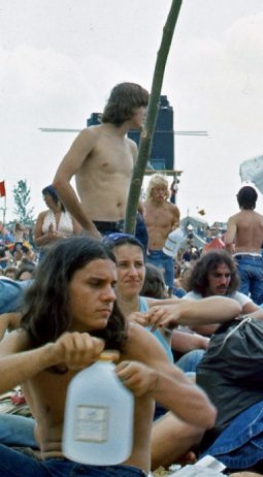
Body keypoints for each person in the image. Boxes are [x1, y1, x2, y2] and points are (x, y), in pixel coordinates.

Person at [0, 237, 216, 474]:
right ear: (59, 287)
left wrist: (155, 382)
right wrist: (49, 355)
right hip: (52, 469)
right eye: (96, 284)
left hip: (117, 471)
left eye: (111, 285)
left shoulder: (129, 340)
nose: (110, 296)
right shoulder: (30, 339)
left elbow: (203, 413)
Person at [104, 232, 240, 468]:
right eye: (123, 265)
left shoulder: (154, 308)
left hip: (161, 409)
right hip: (121, 421)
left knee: (207, 381)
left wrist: (179, 312)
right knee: (193, 417)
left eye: (138, 264)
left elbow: (230, 306)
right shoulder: (98, 312)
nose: (134, 273)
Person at [53, 82, 150, 239]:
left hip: (132, 226)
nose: (147, 113)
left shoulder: (131, 146)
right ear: (128, 106)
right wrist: (87, 226)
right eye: (143, 106)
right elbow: (60, 181)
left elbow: (125, 183)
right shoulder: (91, 136)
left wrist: (139, 204)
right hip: (100, 226)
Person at [225, 185, 263, 304]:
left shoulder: (235, 219)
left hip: (240, 261)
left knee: (239, 302)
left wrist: (230, 263)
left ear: (239, 199)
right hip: (258, 262)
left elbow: (228, 242)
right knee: (259, 304)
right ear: (255, 200)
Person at [143, 175, 181, 291]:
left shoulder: (172, 210)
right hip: (146, 253)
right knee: (147, 289)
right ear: (151, 190)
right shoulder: (143, 207)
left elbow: (177, 232)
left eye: (163, 189)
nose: (161, 193)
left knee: (168, 289)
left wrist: (176, 254)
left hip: (165, 254)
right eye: (157, 189)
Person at [33, 184, 80, 251]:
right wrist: (47, 236)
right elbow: (37, 242)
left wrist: (62, 238)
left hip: (68, 253)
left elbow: (79, 239)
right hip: (47, 254)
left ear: (55, 196)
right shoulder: (42, 215)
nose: (44, 200)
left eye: (46, 196)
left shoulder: (72, 214)